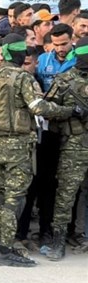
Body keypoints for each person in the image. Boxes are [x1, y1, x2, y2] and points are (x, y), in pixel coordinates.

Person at [0, 34, 77, 267]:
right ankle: (6, 248)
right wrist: (66, 111)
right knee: (15, 198)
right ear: (19, 53)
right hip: (19, 145)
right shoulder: (22, 78)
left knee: (1, 196)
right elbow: (37, 107)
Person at [43, 36, 88, 260]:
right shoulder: (63, 81)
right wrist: (70, 113)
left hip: (75, 146)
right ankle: (58, 242)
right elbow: (46, 109)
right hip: (74, 146)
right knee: (66, 196)